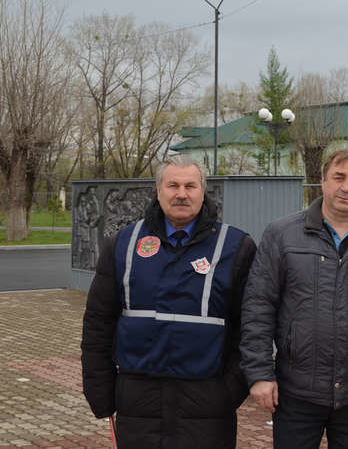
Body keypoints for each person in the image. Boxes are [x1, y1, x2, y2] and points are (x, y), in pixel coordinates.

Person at [240, 148, 348, 449]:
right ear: (322, 181)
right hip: (296, 391)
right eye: (338, 177)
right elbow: (258, 307)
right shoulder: (282, 235)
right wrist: (259, 374)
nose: (346, 187)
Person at [81, 155, 257, 448]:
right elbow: (99, 322)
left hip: (207, 405)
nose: (181, 194)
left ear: (203, 191)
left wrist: (230, 391)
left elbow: (250, 327)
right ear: (158, 190)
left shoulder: (236, 247)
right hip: (138, 402)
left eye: (190, 186)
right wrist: (99, 389)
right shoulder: (124, 243)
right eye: (173, 185)